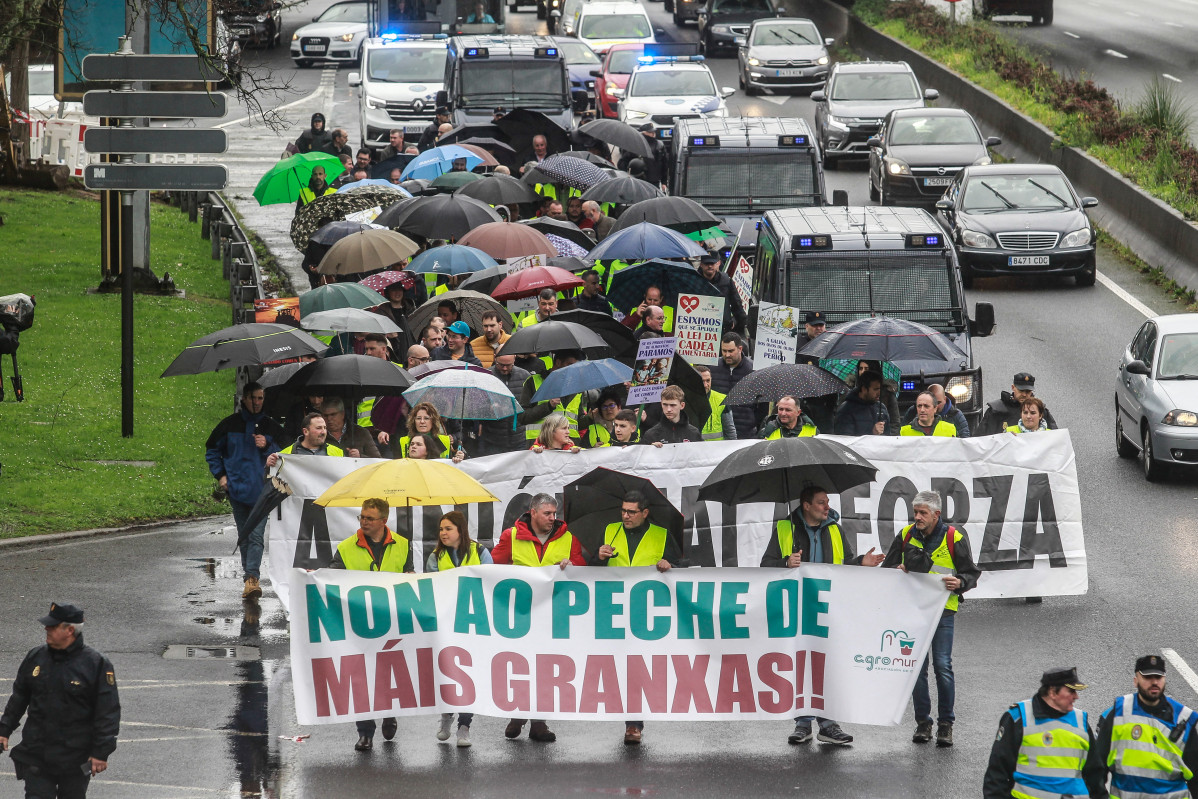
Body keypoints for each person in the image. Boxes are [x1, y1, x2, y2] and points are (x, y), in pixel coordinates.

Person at [760, 486, 883, 746]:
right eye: (820, 503)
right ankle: (803, 723)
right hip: (796, 608)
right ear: (806, 505)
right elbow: (765, 565)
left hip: (827, 608)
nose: (826, 507)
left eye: (827, 502)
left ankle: (828, 724)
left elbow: (844, 564)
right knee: (802, 664)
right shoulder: (785, 529)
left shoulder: (834, 530)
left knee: (826, 665)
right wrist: (785, 562)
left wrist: (862, 562)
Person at [881, 490, 981, 748]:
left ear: (937, 514)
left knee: (943, 666)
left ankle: (946, 724)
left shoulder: (953, 537)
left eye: (923, 512)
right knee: (917, 669)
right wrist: (896, 570)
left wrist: (960, 582)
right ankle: (923, 723)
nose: (917, 517)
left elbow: (970, 573)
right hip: (912, 612)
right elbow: (886, 571)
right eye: (915, 512)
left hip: (943, 611)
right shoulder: (905, 536)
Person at [490, 494, 586, 742]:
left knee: (544, 668)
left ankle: (538, 722)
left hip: (552, 615)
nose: (553, 518)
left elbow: (583, 569)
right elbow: (490, 567)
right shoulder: (511, 536)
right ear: (532, 512)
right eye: (547, 514)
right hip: (520, 614)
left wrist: (572, 563)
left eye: (555, 514)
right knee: (521, 665)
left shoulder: (567, 538)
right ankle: (519, 714)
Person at [0, 603, 120, 798]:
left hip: (75, 758)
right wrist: (4, 730)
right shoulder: (35, 657)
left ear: (70, 630)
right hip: (37, 753)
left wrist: (101, 752)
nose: (46, 628)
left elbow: (108, 712)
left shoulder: (96, 664)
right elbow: (19, 696)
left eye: (53, 626)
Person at [594, 491, 681, 745]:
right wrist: (598, 558)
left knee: (638, 669)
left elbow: (683, 566)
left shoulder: (662, 535)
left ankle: (634, 723)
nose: (625, 516)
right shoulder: (610, 530)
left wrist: (670, 564)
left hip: (648, 615)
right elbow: (588, 570)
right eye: (623, 510)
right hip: (612, 612)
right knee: (617, 668)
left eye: (631, 512)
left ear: (645, 512)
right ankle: (629, 720)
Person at [329, 499, 411, 752]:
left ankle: (389, 713)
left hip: (392, 621)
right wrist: (316, 577)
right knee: (360, 677)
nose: (363, 521)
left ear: (383, 521)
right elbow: (332, 576)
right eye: (361, 517)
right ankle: (365, 732)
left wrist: (410, 576)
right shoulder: (346, 547)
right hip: (359, 623)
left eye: (369, 518)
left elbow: (410, 574)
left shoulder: (403, 544)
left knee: (387, 674)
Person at [205, 382, 285, 599]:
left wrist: (267, 445)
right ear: (243, 399)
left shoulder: (271, 427)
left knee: (256, 535)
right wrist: (221, 476)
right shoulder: (228, 425)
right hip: (237, 489)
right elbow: (212, 450)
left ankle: (252, 578)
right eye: (253, 398)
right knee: (245, 534)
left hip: (263, 490)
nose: (257, 402)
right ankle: (248, 577)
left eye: (260, 398)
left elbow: (287, 452)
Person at [982, 666, 1107, 799]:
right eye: (1071, 691)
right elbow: (997, 775)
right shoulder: (1018, 718)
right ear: (1052, 692)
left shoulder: (1081, 721)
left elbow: (1095, 776)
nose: (1076, 696)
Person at [427, 511, 493, 747]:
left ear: (460, 530)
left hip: (474, 624)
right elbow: (432, 589)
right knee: (447, 671)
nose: (443, 533)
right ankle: (446, 716)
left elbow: (491, 582)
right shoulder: (435, 557)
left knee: (470, 674)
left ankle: (464, 726)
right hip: (446, 625)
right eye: (441, 529)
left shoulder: (480, 552)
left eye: (448, 529)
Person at [1092, 655, 1198, 798]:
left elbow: (1196, 776)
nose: (1154, 682)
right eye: (1148, 678)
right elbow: (1096, 769)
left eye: (1158, 677)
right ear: (1136, 681)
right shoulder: (1119, 714)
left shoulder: (1183, 719)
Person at [519, 349, 585, 443]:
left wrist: (591, 417)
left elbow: (578, 423)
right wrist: (548, 406)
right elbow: (523, 418)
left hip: (570, 444)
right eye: (570, 365)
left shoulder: (577, 387)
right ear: (558, 362)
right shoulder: (533, 382)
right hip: (541, 444)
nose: (573, 370)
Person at [711, 333, 765, 439]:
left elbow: (762, 404)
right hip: (719, 431)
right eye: (724, 351)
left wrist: (755, 426)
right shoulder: (713, 368)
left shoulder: (753, 371)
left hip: (746, 432)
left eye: (731, 351)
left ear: (740, 348)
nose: (727, 355)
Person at [478, 354, 529, 455]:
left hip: (519, 438)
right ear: (495, 359)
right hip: (493, 439)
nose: (505, 368)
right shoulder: (485, 376)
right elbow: (476, 407)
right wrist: (489, 409)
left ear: (514, 359)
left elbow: (531, 406)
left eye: (508, 365)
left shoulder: (524, 376)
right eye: (501, 365)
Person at [979, 372, 1059, 435]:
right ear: (1013, 388)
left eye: (1027, 391)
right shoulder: (996, 411)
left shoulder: (1042, 411)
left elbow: (1055, 441)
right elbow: (982, 440)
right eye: (1021, 391)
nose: (1024, 394)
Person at [267, 412, 345, 467]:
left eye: (325, 428)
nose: (323, 432)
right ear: (305, 431)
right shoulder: (286, 454)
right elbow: (273, 481)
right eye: (319, 428)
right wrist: (268, 465)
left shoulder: (338, 453)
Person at [697, 252, 747, 335]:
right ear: (701, 264)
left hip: (723, 329)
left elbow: (737, 305)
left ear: (718, 263)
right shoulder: (694, 280)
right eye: (707, 263)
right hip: (699, 329)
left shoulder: (726, 281)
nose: (710, 266)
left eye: (712, 263)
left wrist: (736, 321)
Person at [835, 370, 891, 436]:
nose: (879, 393)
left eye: (880, 389)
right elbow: (845, 441)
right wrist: (871, 433)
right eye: (875, 389)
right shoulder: (846, 410)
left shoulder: (881, 408)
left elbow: (888, 436)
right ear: (864, 389)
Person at [901, 383, 970, 437]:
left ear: (945, 400)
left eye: (938, 403)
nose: (922, 410)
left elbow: (964, 440)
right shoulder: (912, 412)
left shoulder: (955, 415)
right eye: (919, 406)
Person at [693, 364, 735, 441]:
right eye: (702, 381)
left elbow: (730, 431)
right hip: (694, 449)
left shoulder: (721, 399)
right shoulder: (685, 399)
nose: (706, 385)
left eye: (708, 380)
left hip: (717, 450)